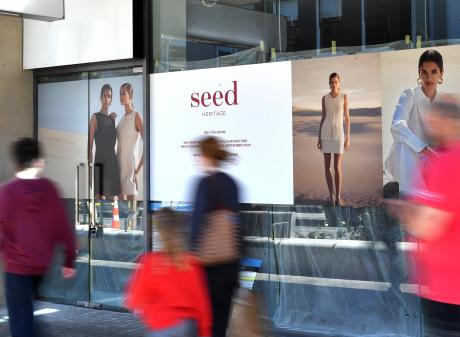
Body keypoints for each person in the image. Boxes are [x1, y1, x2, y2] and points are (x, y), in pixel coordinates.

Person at [388, 98, 460, 336]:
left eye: (435, 118)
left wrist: (403, 209)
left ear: (449, 123)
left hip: (448, 289)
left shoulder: (448, 163)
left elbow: (431, 225)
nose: (429, 123)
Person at [0, 138, 76, 337]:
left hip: (16, 265)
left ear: (16, 162)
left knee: (20, 316)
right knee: (27, 311)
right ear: (38, 161)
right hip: (41, 263)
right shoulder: (50, 189)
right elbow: (63, 227)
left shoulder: (7, 192)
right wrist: (69, 260)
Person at [125, 208, 211, 337]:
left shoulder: (150, 262)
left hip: (162, 327)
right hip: (189, 327)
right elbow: (202, 303)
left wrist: (147, 313)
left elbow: (136, 299)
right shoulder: (191, 262)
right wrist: (205, 332)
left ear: (158, 233)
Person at [190, 136, 242, 337]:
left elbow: (197, 224)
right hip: (230, 262)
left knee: (205, 321)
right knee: (221, 322)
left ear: (206, 155)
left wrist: (190, 252)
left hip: (208, 266)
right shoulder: (231, 183)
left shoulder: (204, 183)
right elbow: (238, 225)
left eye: (199, 155)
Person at [385, 49, 445, 195]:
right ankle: (412, 197)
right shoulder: (409, 94)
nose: (428, 77)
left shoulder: (443, 102)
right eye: (423, 72)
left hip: (430, 162)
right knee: (402, 143)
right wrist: (425, 150)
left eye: (434, 72)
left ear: (441, 73)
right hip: (406, 159)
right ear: (419, 73)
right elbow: (397, 125)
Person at [317, 72, 350, 206]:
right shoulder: (324, 98)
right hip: (325, 134)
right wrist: (319, 137)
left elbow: (347, 118)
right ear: (329, 83)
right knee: (327, 166)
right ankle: (331, 195)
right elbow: (323, 118)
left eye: (335, 82)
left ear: (339, 82)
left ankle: (338, 196)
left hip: (339, 135)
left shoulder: (344, 97)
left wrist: (348, 137)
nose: (333, 84)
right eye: (331, 82)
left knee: (337, 167)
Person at [117, 83, 144, 227]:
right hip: (119, 168)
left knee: (133, 219)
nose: (121, 96)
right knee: (123, 220)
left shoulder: (136, 116)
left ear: (131, 96)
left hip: (130, 170)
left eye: (124, 93)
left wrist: (137, 171)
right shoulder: (120, 121)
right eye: (120, 93)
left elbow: (148, 144)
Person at [88, 84, 121, 199]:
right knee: (99, 201)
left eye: (109, 96)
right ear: (101, 97)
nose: (107, 99)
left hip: (112, 163)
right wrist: (90, 170)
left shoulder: (112, 120)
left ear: (111, 99)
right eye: (105, 96)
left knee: (114, 201)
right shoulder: (95, 117)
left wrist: (111, 119)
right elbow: (89, 146)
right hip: (99, 164)